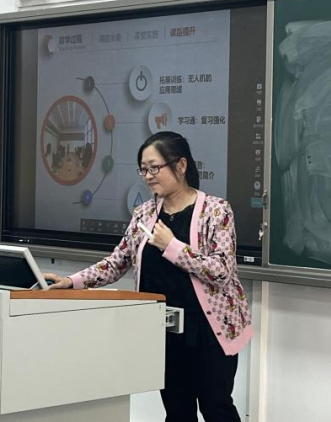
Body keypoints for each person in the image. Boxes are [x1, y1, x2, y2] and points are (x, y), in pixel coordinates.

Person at [44, 131, 253, 422]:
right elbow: (116, 263)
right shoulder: (144, 214)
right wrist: (72, 281)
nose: (148, 177)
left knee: (216, 408)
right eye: (143, 170)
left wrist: (172, 247)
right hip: (164, 330)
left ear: (181, 166)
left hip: (209, 331)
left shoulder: (216, 211)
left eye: (154, 168)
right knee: (177, 412)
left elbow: (221, 271)